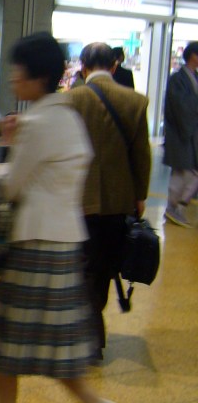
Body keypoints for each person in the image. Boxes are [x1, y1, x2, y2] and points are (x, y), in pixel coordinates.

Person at [0, 33, 128, 403]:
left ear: (36, 76)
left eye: (18, 71)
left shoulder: (37, 123)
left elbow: (12, 186)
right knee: (57, 345)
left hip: (34, 242)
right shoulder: (68, 117)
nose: (14, 79)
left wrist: (6, 148)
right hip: (65, 241)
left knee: (4, 338)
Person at [67, 42, 151, 352]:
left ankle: (87, 335)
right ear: (114, 66)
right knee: (104, 266)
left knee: (83, 263)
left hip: (77, 199)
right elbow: (141, 156)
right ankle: (91, 329)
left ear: (83, 66)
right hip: (119, 200)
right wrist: (140, 195)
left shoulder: (70, 100)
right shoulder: (135, 102)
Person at [163, 41, 198, 228]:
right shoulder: (178, 79)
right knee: (183, 171)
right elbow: (180, 106)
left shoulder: (192, 77)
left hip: (191, 132)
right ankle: (172, 206)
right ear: (193, 55)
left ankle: (179, 206)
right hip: (181, 132)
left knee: (190, 172)